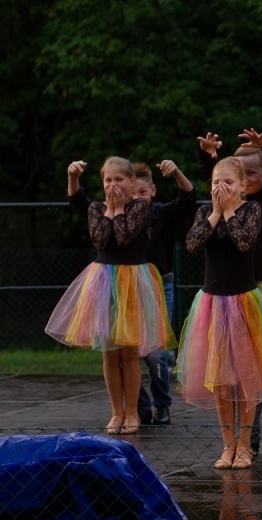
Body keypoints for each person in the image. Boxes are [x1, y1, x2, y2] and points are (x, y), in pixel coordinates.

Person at [175, 157, 262, 469]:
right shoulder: (206, 212)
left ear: (242, 186)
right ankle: (227, 444)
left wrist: (228, 211)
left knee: (245, 378)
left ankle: (245, 445)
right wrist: (215, 213)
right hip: (213, 303)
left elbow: (244, 243)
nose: (220, 188)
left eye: (227, 182)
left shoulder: (251, 210)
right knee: (222, 381)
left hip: (244, 302)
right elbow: (191, 244)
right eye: (216, 182)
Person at [46, 156, 177, 435]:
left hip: (133, 279)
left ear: (131, 182)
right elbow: (102, 239)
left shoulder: (140, 207)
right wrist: (107, 208)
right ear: (102, 182)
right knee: (109, 352)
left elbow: (125, 235)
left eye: (119, 179)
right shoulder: (96, 208)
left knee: (129, 352)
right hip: (103, 279)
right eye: (108, 179)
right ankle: (116, 411)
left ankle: (132, 413)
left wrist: (118, 209)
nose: (113, 184)